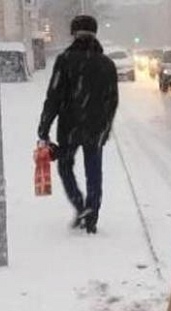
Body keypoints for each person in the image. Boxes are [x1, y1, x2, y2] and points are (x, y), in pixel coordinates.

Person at [37, 15, 118, 233]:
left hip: (69, 127)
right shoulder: (107, 64)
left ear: (74, 34)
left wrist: (44, 128)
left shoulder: (65, 60)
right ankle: (92, 213)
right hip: (95, 129)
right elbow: (112, 101)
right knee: (94, 172)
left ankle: (79, 204)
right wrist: (105, 127)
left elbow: (54, 97)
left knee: (65, 167)